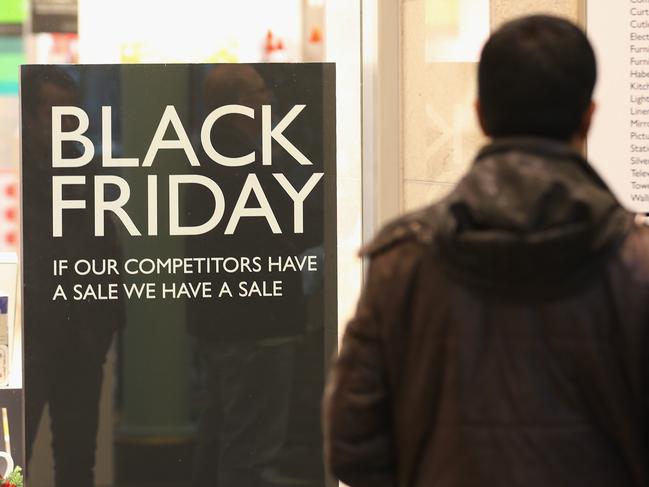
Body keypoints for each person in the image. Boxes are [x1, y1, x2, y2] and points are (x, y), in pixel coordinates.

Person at [324, 15, 649, 487]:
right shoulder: (636, 265)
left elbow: (353, 446)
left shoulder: (403, 261)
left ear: (479, 114)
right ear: (589, 116)